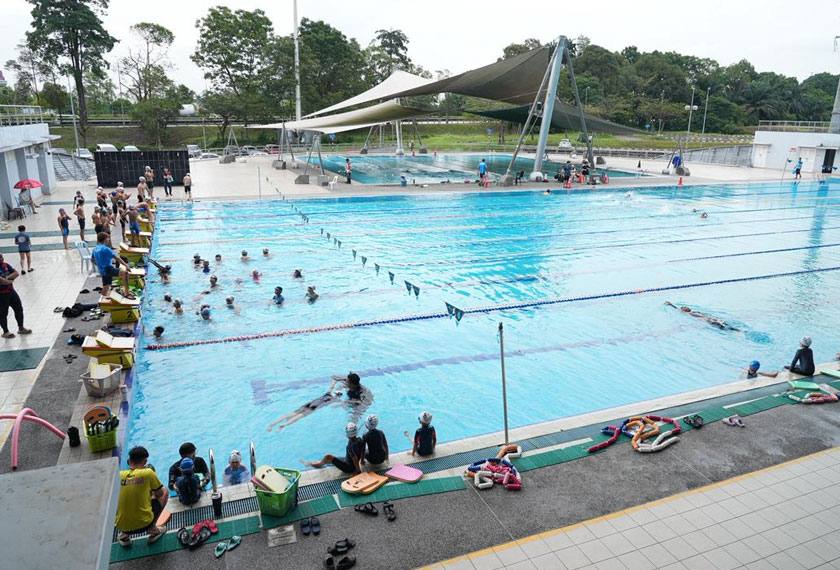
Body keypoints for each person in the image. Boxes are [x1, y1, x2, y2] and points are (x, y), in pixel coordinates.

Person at [268, 372, 373, 432]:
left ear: (353, 384)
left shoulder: (361, 392)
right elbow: (335, 379)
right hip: (325, 402)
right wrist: (342, 401)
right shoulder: (336, 394)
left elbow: (361, 402)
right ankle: (281, 426)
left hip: (356, 404)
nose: (345, 382)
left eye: (347, 381)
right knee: (300, 414)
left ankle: (274, 424)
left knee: (295, 413)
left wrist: (344, 401)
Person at [116, 446, 168, 547]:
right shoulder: (148, 473)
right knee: (165, 491)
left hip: (122, 526)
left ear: (128, 461)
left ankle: (124, 535)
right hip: (145, 524)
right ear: (145, 462)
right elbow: (160, 494)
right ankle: (152, 529)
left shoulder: (118, 475)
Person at [91, 232, 132, 298]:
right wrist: (126, 266)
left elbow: (92, 260)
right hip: (108, 269)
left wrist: (100, 265)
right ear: (105, 239)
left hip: (102, 270)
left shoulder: (95, 249)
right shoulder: (106, 249)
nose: (109, 240)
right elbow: (117, 258)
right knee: (125, 273)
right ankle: (127, 293)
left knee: (106, 286)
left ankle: (102, 302)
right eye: (108, 238)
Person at [0, 254, 31, 339]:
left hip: (11, 292)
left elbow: (16, 273)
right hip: (1, 294)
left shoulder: (5, 265)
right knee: (3, 313)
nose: (2, 259)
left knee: (19, 309)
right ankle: (5, 332)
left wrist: (7, 277)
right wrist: (9, 280)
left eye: (2, 257)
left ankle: (21, 328)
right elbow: (2, 281)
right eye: (0, 258)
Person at [664, 301, 739, 331]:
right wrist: (671, 304)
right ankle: (727, 331)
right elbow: (677, 308)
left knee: (723, 322)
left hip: (709, 317)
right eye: (684, 307)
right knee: (718, 324)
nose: (686, 307)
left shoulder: (694, 311)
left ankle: (736, 330)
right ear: (683, 310)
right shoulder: (688, 313)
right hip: (706, 320)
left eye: (686, 306)